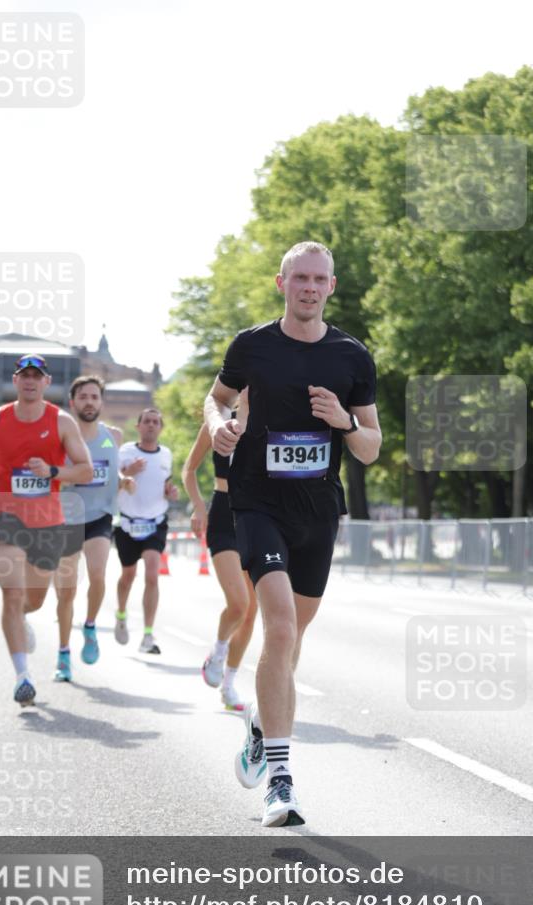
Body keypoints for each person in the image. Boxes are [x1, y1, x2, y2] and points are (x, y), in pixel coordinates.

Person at [205, 241, 381, 827]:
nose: (309, 287)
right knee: (278, 624)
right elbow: (217, 398)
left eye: (319, 279)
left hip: (318, 509)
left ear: (331, 287)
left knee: (292, 638)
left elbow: (372, 447)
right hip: (258, 503)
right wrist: (220, 425)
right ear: (282, 282)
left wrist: (346, 421)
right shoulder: (252, 346)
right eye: (299, 277)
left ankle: (261, 720)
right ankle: (280, 781)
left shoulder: (352, 356)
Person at [0, 354, 93, 706]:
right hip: (4, 515)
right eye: (24, 375)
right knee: (12, 593)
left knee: (33, 601)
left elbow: (84, 470)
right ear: (15, 380)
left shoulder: (62, 422)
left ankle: (22, 619)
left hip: (47, 521)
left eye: (37, 376)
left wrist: (52, 472)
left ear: (46, 383)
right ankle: (22, 675)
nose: (30, 381)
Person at [53, 375, 135, 682]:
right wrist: (70, 476)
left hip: (99, 516)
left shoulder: (112, 435)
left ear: (101, 402)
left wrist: (124, 481)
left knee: (99, 575)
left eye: (94, 397)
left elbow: (112, 471)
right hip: (65, 517)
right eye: (83, 397)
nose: (89, 402)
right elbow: (50, 475)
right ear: (73, 403)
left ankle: (89, 626)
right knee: (67, 591)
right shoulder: (60, 438)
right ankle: (63, 654)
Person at [182, 391, 257, 711]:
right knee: (238, 605)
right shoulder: (218, 422)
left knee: (251, 612)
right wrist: (199, 508)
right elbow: (189, 469)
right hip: (225, 515)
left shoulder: (274, 424)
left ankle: (228, 686)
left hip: (258, 518)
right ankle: (219, 648)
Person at [114, 407, 178, 653]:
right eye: (147, 421)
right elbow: (113, 481)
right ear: (138, 426)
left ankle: (148, 636)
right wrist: (126, 473)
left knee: (152, 574)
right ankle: (121, 614)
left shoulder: (166, 455)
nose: (151, 425)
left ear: (160, 428)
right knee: (128, 576)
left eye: (155, 422)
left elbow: (166, 485)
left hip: (155, 521)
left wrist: (170, 493)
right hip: (128, 522)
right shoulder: (126, 452)